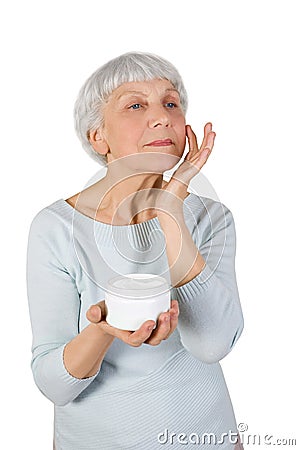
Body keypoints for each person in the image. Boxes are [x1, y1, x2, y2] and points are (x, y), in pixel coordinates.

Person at [26, 51, 244, 450]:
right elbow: (54, 385)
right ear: (98, 136)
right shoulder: (56, 228)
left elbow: (213, 343)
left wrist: (170, 210)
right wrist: (103, 330)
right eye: (136, 104)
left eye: (171, 103)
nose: (162, 116)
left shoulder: (211, 218)